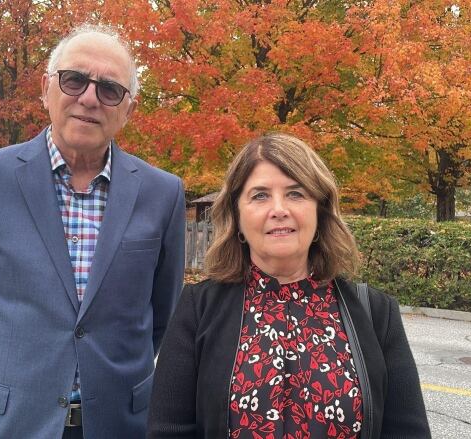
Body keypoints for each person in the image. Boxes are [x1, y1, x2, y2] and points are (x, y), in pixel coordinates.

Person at [0, 24, 186, 439]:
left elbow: (162, 314)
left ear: (129, 109)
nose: (89, 98)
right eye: (74, 80)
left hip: (119, 425)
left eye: (110, 89)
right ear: (45, 88)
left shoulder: (163, 193)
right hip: (7, 422)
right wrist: (12, 382)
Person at [147, 133, 430, 439]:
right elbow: (169, 431)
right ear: (237, 215)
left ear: (319, 210)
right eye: (260, 195)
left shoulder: (376, 313)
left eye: (296, 193)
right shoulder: (198, 309)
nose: (278, 209)